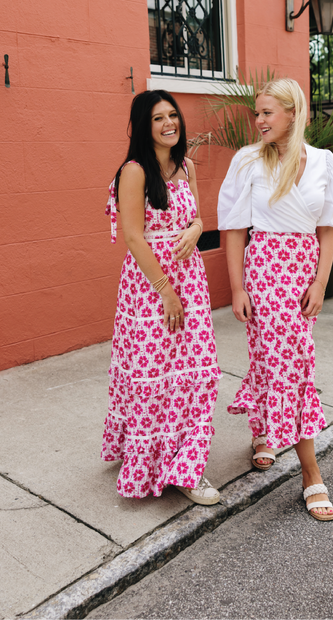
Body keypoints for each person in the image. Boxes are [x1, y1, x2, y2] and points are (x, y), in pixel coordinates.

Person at [217, 78, 333, 521]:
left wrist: (320, 282)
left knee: (283, 359)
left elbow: (328, 228)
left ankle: (266, 434)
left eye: (268, 112)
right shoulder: (247, 161)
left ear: (293, 113)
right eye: (258, 112)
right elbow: (233, 228)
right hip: (265, 270)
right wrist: (237, 287)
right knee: (283, 361)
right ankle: (310, 471)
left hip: (304, 271)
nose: (259, 120)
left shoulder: (324, 164)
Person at [102, 90, 221, 505]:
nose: (169, 123)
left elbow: (196, 217)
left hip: (191, 279)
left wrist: (196, 229)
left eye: (173, 115)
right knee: (156, 376)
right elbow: (134, 237)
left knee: (197, 372)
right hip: (151, 287)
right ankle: (151, 455)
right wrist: (166, 293)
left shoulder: (185, 165)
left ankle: (187, 466)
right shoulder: (134, 171)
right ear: (143, 125)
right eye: (158, 118)